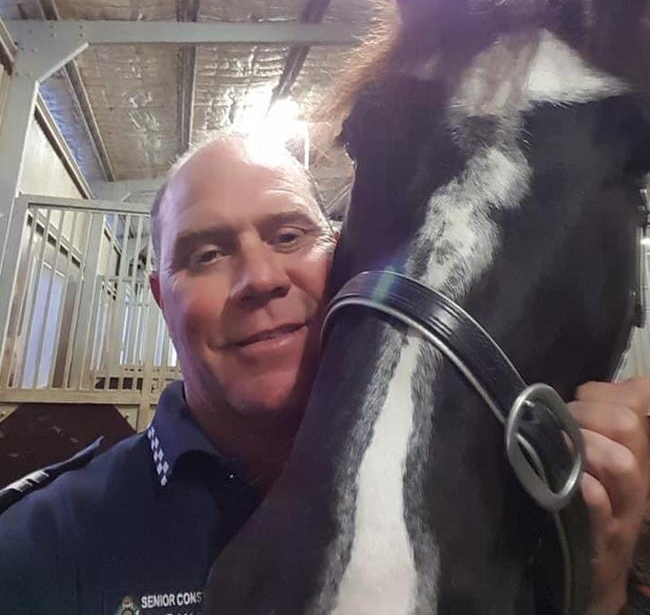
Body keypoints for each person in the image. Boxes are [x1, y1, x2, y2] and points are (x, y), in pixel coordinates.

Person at [0, 133, 647, 615]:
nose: (260, 279)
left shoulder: (484, 495)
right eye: (207, 253)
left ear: (340, 260)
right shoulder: (42, 548)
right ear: (161, 299)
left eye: (288, 236)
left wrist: (598, 592)